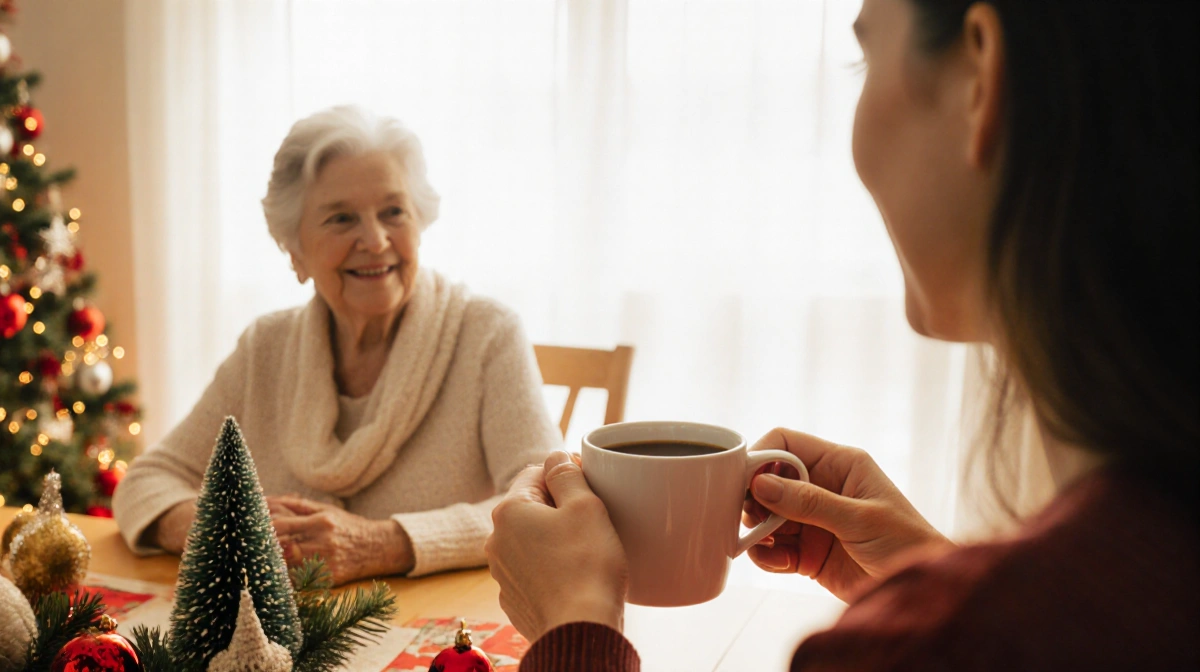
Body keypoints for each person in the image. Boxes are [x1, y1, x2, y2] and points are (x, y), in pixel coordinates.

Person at [486, 0, 1198, 669]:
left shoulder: (927, 646)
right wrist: (935, 572)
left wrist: (572, 632)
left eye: (866, 61)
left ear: (981, 78)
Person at [114, 105, 561, 585]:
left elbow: (540, 503)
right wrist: (216, 522)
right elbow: (145, 482)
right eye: (341, 219)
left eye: (393, 212)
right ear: (296, 252)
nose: (375, 240)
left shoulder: (487, 333)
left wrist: (383, 544)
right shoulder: (267, 345)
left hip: (439, 637)